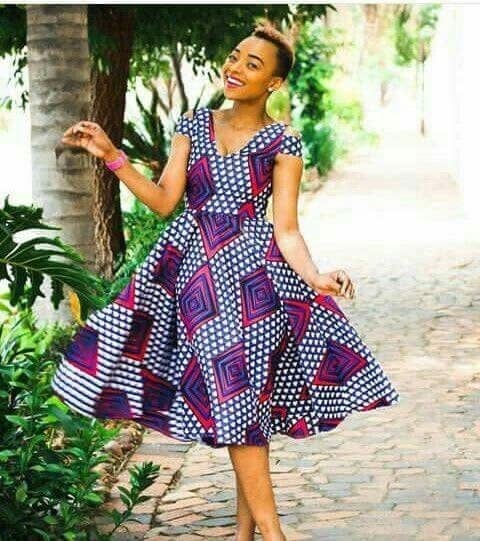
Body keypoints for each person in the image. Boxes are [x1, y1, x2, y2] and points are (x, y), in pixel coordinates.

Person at [55, 20, 400, 541]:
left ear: (273, 83)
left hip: (257, 286)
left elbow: (286, 228)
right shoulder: (193, 125)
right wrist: (111, 156)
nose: (236, 68)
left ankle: (260, 535)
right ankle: (263, 535)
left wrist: (315, 276)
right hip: (194, 282)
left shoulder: (282, 142)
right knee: (239, 403)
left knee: (241, 404)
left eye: (252, 64)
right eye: (236, 56)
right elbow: (165, 201)